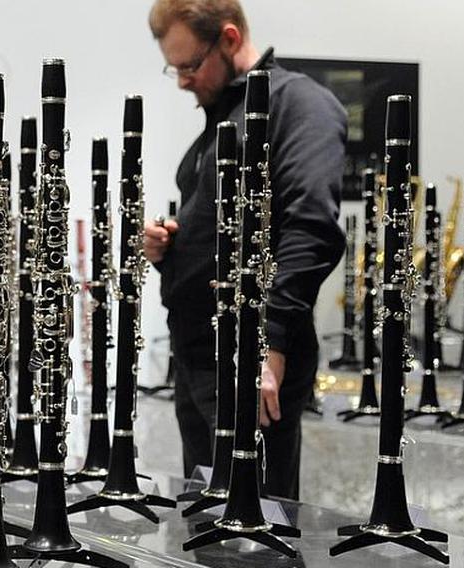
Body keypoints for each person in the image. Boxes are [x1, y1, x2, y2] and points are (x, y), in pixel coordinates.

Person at [146, 0, 347, 500]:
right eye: (174, 67)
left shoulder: (299, 104)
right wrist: (173, 242)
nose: (182, 81)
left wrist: (270, 345)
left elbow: (311, 227)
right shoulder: (223, 115)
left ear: (230, 39)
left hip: (249, 354)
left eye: (189, 65)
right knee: (207, 517)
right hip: (199, 353)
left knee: (259, 531)